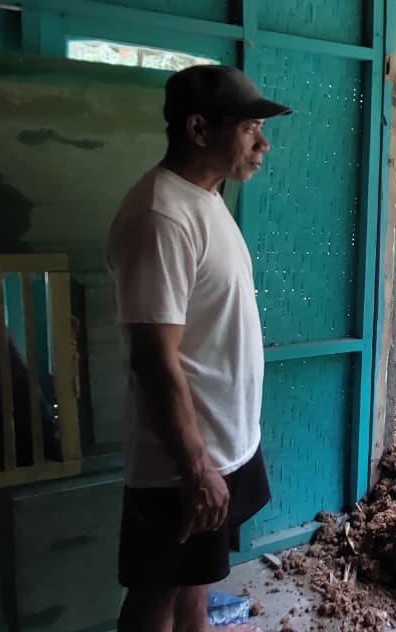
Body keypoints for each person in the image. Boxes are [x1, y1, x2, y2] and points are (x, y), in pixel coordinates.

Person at [107, 65, 290, 632]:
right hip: (184, 465)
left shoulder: (205, 198)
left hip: (224, 446)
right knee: (155, 597)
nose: (262, 144)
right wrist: (195, 467)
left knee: (194, 589)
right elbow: (154, 357)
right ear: (199, 129)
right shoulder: (160, 216)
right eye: (249, 129)